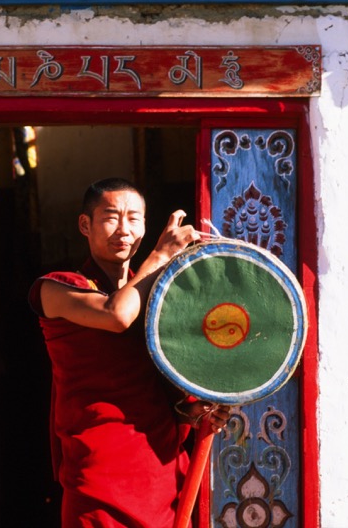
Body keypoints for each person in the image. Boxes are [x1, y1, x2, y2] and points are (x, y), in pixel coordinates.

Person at [28, 177, 230, 528]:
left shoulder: (160, 300)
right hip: (100, 470)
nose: (124, 229)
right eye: (111, 217)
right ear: (85, 225)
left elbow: (166, 389)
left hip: (160, 468)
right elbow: (116, 315)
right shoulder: (57, 288)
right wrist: (161, 256)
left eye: (134, 219)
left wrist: (198, 410)